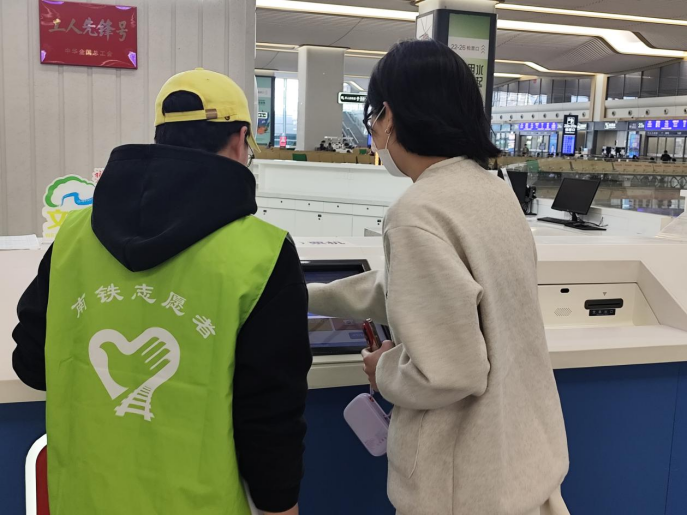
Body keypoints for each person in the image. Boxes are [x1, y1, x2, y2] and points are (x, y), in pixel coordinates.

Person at [12, 69, 312, 515]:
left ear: (160, 138)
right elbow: (270, 417)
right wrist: (281, 505)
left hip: (85, 500)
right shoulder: (262, 254)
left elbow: (32, 365)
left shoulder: (73, 238)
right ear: (240, 140)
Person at [308, 40, 569, 514]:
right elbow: (405, 289)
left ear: (388, 115)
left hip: (461, 488)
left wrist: (383, 369)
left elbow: (449, 373)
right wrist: (312, 295)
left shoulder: (417, 211)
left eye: (372, 116)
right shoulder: (493, 192)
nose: (373, 130)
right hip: (521, 465)